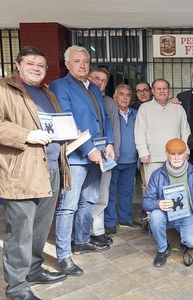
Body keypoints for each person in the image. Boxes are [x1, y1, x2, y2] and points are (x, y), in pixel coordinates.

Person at [0, 46, 69, 300]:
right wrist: (25, 135)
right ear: (18, 64)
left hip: (50, 169)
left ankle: (34, 269)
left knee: (40, 228)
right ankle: (16, 288)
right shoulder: (0, 89)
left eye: (41, 64)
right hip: (21, 172)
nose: (37, 68)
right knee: (20, 231)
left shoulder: (45, 92)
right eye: (31, 63)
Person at [50, 45, 114, 276]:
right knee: (68, 206)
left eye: (85, 61)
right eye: (77, 61)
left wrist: (109, 144)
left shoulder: (93, 88)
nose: (82, 65)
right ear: (67, 64)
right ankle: (64, 255)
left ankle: (82, 240)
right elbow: (66, 119)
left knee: (89, 200)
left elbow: (104, 118)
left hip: (98, 154)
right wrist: (89, 150)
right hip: (77, 157)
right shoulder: (60, 86)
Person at [142, 138, 193, 267]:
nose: (177, 157)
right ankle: (162, 249)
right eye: (173, 154)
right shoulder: (157, 175)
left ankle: (184, 236)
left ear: (185, 153)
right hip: (165, 215)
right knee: (155, 216)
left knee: (192, 241)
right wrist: (158, 204)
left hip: (187, 215)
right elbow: (146, 202)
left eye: (180, 153)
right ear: (167, 154)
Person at [135, 79, 191, 189]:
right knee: (153, 191)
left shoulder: (178, 108)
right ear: (153, 91)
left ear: (169, 90)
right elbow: (139, 131)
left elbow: (185, 131)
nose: (162, 91)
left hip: (175, 158)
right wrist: (143, 152)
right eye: (158, 89)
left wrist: (186, 151)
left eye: (164, 88)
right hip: (152, 159)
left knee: (175, 191)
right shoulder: (144, 108)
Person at [104, 84, 142, 238]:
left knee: (127, 192)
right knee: (110, 192)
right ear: (114, 96)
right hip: (114, 160)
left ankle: (125, 219)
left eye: (128, 95)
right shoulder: (110, 113)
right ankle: (110, 223)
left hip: (131, 160)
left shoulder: (136, 114)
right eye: (121, 94)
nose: (125, 97)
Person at [86, 67, 117, 244]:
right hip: (84, 154)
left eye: (103, 80)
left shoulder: (108, 102)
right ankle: (82, 234)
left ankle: (97, 232)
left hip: (105, 154)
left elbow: (111, 128)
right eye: (96, 78)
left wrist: (111, 149)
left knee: (102, 196)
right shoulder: (80, 97)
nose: (99, 82)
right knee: (85, 198)